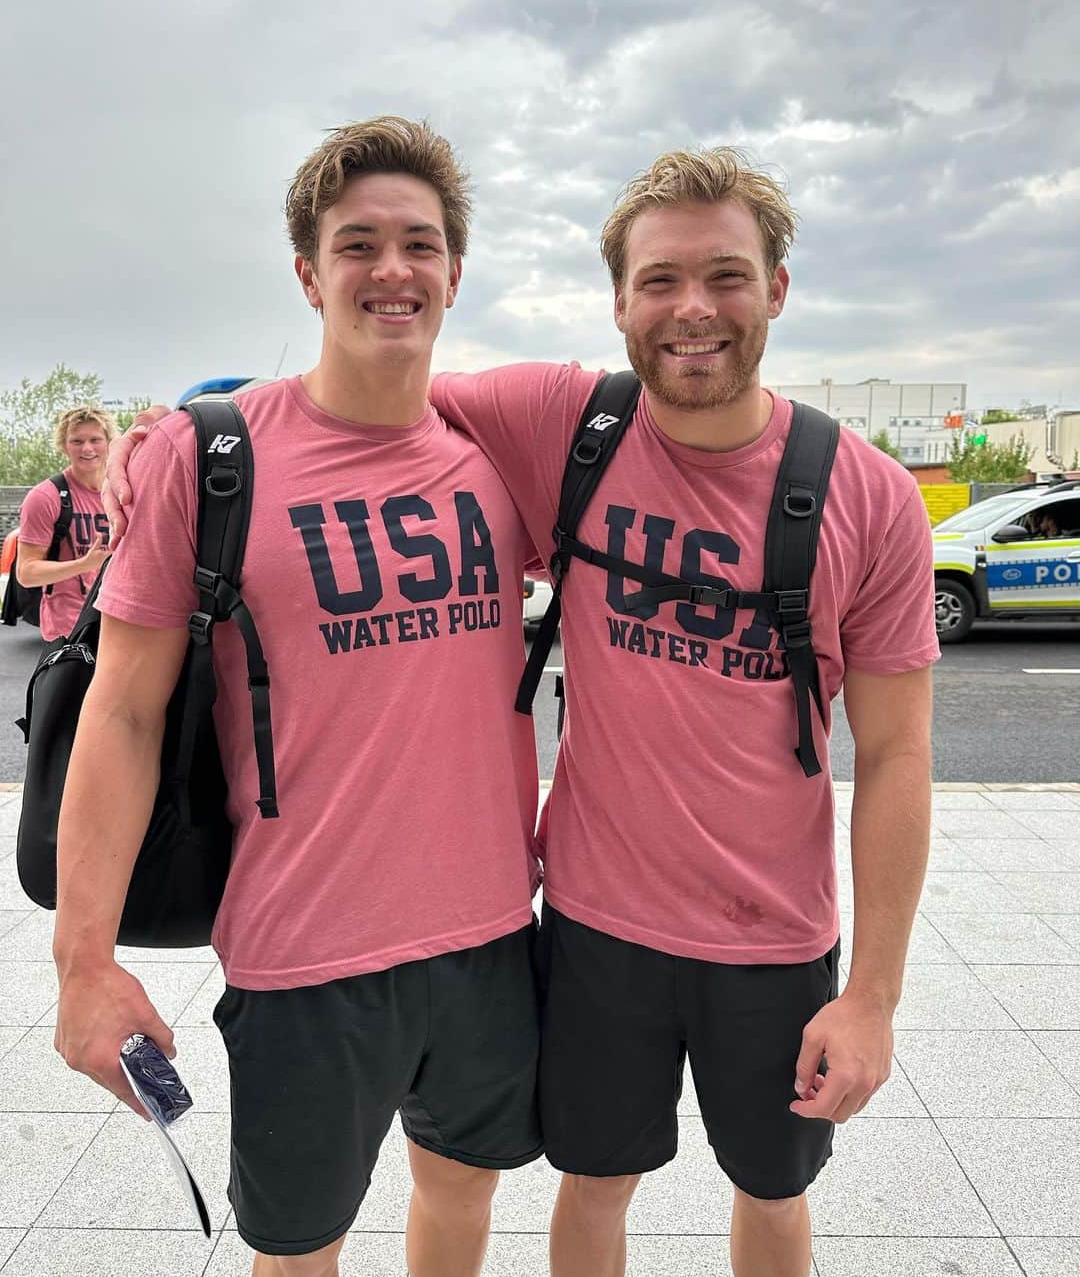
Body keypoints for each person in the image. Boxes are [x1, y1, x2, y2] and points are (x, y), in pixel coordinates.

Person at [108, 146, 939, 1277]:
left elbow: (896, 756)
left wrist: (875, 997)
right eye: (660, 280)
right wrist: (172, 426)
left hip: (776, 936)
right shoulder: (566, 425)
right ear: (620, 302)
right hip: (593, 926)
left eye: (727, 276)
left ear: (777, 290)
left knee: (774, 1190)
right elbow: (359, 387)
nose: (693, 309)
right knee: (591, 1189)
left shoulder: (872, 498)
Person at [53, 119, 544, 1277]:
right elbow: (120, 714)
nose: (391, 270)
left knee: (460, 1208)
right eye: (357, 242)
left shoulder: (504, 454)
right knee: (297, 1252)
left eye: (419, 244)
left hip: (491, 940)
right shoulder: (210, 457)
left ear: (455, 273)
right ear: (307, 271)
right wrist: (83, 961)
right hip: (303, 956)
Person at [14, 404, 115, 639]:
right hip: (68, 630)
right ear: (64, 446)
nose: (87, 449)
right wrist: (84, 564)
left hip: (118, 624)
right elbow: (26, 573)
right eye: (77, 441)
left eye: (95, 440)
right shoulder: (45, 497)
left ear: (109, 443)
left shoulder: (124, 493)